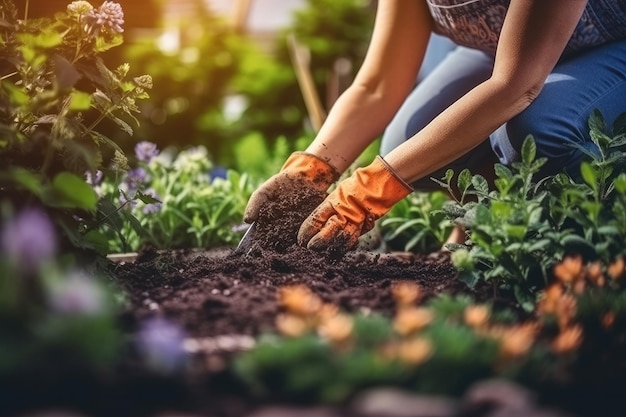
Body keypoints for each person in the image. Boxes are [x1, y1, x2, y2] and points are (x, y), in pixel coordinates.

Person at [244, 0, 626, 252]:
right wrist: (312, 168)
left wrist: (375, 186)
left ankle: (580, 243)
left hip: (609, 46)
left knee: (538, 131)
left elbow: (515, 86)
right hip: (507, 52)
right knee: (407, 139)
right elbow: (377, 86)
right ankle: (482, 220)